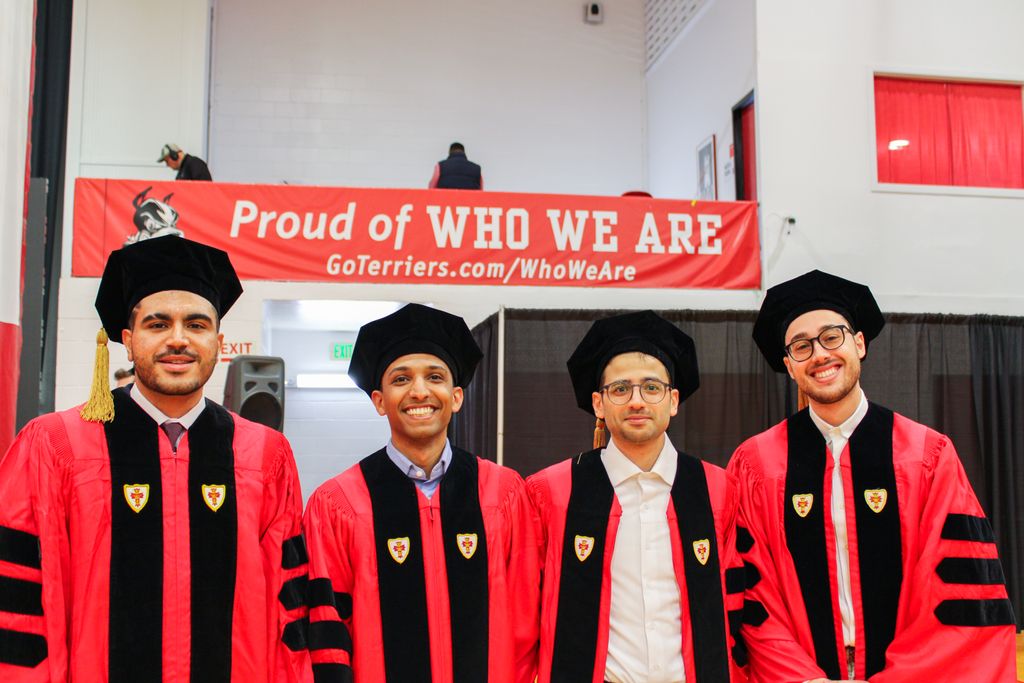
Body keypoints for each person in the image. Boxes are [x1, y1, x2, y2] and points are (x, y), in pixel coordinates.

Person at [0, 236, 309, 682]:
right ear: (127, 340)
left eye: (197, 325)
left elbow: (290, 612)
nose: (178, 339)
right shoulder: (55, 446)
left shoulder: (264, 455)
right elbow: (19, 608)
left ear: (219, 342)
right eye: (158, 324)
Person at [729, 270, 1016, 682]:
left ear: (859, 344)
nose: (820, 354)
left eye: (832, 336)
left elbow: (954, 592)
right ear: (790, 366)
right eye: (802, 346)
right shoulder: (757, 464)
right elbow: (753, 594)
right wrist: (803, 678)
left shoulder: (927, 455)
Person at [302, 304, 538, 682]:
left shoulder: (503, 493)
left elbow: (526, 623)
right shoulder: (338, 503)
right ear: (379, 400)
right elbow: (328, 630)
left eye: (435, 376)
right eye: (400, 379)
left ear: (456, 396)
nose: (419, 391)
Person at [527, 310, 745, 683]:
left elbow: (738, 607)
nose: (637, 401)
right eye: (620, 389)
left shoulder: (717, 489)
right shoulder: (552, 491)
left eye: (651, 387)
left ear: (673, 400)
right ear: (599, 403)